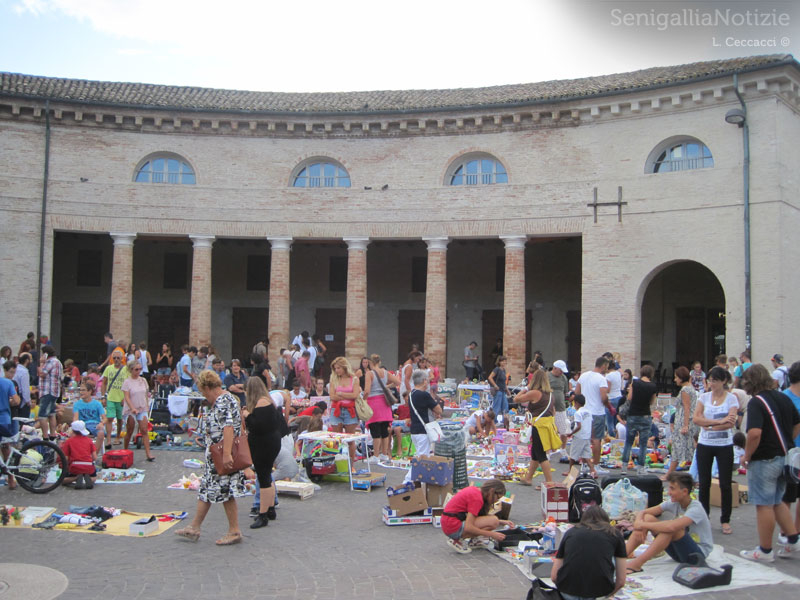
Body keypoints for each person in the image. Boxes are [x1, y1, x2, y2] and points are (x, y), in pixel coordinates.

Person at [175, 370, 246, 546]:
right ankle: (194, 527)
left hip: (221, 454)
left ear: (207, 387)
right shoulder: (228, 398)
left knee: (225, 491)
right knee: (207, 489)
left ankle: (234, 530)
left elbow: (228, 427)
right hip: (217, 454)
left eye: (203, 391)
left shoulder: (222, 401)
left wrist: (227, 454)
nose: (204, 395)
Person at [739, 363, 800, 561]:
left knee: (763, 504)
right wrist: (788, 440)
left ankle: (765, 550)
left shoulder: (757, 402)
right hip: (784, 457)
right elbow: (797, 423)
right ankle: (792, 538)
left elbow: (755, 433)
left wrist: (747, 455)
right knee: (777, 500)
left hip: (764, 458)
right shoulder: (782, 397)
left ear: (750, 382)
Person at [624, 473, 713, 573]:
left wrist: (642, 525)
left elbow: (671, 527)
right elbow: (644, 512)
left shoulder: (696, 508)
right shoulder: (674, 502)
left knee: (672, 529)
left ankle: (637, 564)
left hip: (696, 556)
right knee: (648, 518)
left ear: (684, 492)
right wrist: (639, 525)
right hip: (678, 552)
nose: (669, 492)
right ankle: (621, 556)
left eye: (672, 489)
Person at [693, 366, 738, 534]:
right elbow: (697, 418)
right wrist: (718, 422)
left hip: (724, 445)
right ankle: (704, 517)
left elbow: (731, 422)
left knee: (725, 483)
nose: (711, 384)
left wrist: (709, 423)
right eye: (710, 380)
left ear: (723, 381)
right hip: (705, 444)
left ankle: (725, 520)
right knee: (704, 483)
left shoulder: (731, 398)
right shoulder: (703, 397)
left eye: (715, 381)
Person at [552, 506, 626, 600]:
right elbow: (621, 581)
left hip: (567, 591)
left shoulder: (570, 533)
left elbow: (554, 576)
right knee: (609, 556)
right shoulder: (615, 534)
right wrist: (608, 595)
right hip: (599, 592)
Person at [242, 376, 282, 529]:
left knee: (264, 477)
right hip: (269, 442)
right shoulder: (268, 400)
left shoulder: (261, 403)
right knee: (267, 476)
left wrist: (247, 416)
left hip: (264, 444)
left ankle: (263, 514)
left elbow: (258, 425)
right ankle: (270, 508)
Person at [441, 479, 514, 553]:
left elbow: (476, 516)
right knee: (493, 521)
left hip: (449, 523)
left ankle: (468, 540)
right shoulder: (477, 499)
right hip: (452, 527)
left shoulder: (476, 491)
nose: (496, 501)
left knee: (494, 521)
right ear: (492, 491)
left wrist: (501, 521)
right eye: (497, 498)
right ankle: (458, 540)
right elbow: (468, 527)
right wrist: (492, 534)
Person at [518, 369, 561, 487]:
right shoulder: (550, 395)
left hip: (539, 426)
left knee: (541, 455)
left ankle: (549, 482)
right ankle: (528, 478)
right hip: (547, 425)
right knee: (535, 453)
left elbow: (517, 399)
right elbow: (553, 411)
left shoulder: (535, 393)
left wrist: (526, 389)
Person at [621, 365, 657, 475]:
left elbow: (629, 397)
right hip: (645, 415)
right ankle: (641, 468)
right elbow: (651, 402)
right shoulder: (653, 386)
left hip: (633, 415)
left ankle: (624, 467)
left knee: (628, 441)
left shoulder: (635, 383)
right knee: (643, 443)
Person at [663, 366, 698, 480]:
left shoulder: (685, 390)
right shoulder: (691, 388)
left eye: (676, 377)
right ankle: (693, 474)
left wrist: (685, 425)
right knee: (688, 449)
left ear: (682, 378)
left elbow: (687, 408)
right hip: (688, 421)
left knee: (677, 449)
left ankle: (669, 474)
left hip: (683, 421)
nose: (675, 380)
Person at [575, 356, 612, 465]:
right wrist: (609, 406)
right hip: (597, 412)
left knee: (585, 438)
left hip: (584, 411)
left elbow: (577, 393)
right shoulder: (601, 379)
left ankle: (585, 462)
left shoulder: (584, 376)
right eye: (607, 367)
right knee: (596, 439)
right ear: (603, 366)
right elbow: (604, 397)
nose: (607, 370)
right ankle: (595, 464)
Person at [364, 354, 400, 463]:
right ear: (379, 362)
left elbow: (366, 391)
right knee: (384, 430)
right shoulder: (385, 373)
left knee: (375, 430)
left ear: (370, 363)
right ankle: (384, 454)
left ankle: (376, 455)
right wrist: (386, 387)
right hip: (385, 403)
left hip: (373, 403)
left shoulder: (369, 374)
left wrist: (363, 400)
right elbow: (398, 381)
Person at [328, 356, 362, 463]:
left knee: (350, 439)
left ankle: (351, 463)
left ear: (344, 367)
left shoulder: (354, 379)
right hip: (336, 410)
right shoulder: (334, 378)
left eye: (338, 368)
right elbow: (332, 396)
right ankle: (337, 461)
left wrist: (341, 394)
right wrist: (348, 396)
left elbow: (355, 395)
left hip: (349, 411)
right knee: (336, 439)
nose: (337, 371)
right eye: (335, 368)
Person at [121, 359, 154, 461]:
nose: (138, 371)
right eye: (136, 369)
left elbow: (145, 394)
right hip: (130, 409)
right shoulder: (127, 382)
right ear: (131, 370)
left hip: (142, 407)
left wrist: (147, 406)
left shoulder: (143, 380)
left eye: (140, 369)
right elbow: (126, 397)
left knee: (144, 430)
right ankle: (125, 450)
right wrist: (132, 408)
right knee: (130, 430)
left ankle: (148, 454)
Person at [782, 361, 800, 536]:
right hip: (791, 453)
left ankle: (796, 532)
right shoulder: (784, 397)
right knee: (787, 496)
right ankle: (786, 534)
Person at [407, 368, 442, 460]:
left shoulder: (411, 394)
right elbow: (439, 410)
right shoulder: (424, 395)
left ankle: (413, 474)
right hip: (423, 430)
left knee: (420, 455)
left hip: (414, 429)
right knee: (423, 458)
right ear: (424, 381)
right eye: (427, 380)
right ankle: (411, 475)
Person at [564, 394, 595, 477]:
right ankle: (593, 471)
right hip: (587, 436)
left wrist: (571, 433)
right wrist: (591, 436)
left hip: (579, 436)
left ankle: (570, 470)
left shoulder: (578, 413)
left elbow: (579, 426)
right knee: (587, 455)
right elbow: (591, 424)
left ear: (576, 403)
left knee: (573, 455)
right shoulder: (589, 412)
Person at [61, 421, 99, 490]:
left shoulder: (69, 441)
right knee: (94, 478)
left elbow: (65, 458)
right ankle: (88, 479)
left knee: (63, 480)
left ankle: (75, 478)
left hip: (75, 466)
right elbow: (95, 457)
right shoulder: (89, 440)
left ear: (73, 430)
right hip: (88, 466)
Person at [102, 349, 128, 446]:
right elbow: (104, 383)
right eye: (114, 358)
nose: (116, 360)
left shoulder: (126, 369)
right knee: (110, 418)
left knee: (120, 419)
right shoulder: (109, 368)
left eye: (118, 358)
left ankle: (117, 436)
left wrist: (125, 398)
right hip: (111, 397)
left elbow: (128, 384)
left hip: (121, 398)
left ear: (122, 359)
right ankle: (108, 440)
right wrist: (103, 396)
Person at [72, 377, 106, 452]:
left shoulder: (97, 404)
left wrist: (101, 423)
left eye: (83, 390)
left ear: (90, 391)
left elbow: (105, 418)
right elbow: (76, 418)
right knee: (73, 435)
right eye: (80, 390)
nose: (81, 392)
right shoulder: (77, 404)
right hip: (83, 425)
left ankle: (94, 457)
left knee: (101, 434)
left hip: (95, 425)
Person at [38, 344, 63, 442]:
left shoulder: (49, 362)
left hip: (47, 391)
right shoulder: (58, 362)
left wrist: (41, 363)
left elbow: (42, 374)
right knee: (52, 414)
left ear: (45, 354)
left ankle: (45, 436)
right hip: (54, 391)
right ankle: (52, 434)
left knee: (42, 415)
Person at [0, 372, 20, 489]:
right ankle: (11, 480)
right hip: (5, 419)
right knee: (5, 447)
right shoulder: (8, 383)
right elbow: (16, 401)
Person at [549, 360, 571, 447]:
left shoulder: (563, 378)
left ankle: (563, 448)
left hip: (560, 407)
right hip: (549, 408)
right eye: (560, 370)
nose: (562, 372)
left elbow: (566, 392)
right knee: (550, 430)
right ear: (555, 368)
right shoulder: (547, 376)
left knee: (564, 430)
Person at [488, 355, 509, 429]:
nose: (504, 362)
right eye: (502, 361)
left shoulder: (503, 370)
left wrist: (507, 390)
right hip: (498, 391)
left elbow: (504, 382)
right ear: (499, 362)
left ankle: (505, 422)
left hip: (503, 391)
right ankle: (494, 422)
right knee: (496, 407)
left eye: (505, 361)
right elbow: (490, 377)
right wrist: (495, 385)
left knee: (505, 407)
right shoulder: (497, 369)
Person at [605, 359, 624, 437]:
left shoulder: (608, 376)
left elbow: (608, 390)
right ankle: (617, 435)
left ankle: (612, 436)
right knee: (616, 419)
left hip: (611, 399)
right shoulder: (618, 374)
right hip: (619, 397)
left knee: (609, 421)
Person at [13, 352, 32, 419]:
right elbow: (25, 388)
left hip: (14, 396)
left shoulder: (15, 368)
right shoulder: (24, 371)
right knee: (24, 420)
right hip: (21, 398)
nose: (31, 361)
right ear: (27, 360)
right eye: (31, 359)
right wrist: (28, 401)